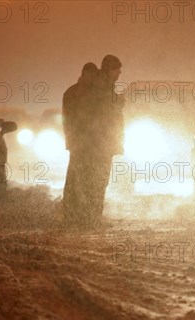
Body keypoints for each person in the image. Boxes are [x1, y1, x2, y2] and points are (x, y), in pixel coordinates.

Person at [62, 56, 125, 229]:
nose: (119, 73)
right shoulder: (101, 89)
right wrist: (117, 104)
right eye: (117, 69)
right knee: (95, 182)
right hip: (97, 147)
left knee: (81, 181)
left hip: (85, 145)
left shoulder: (99, 88)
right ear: (109, 69)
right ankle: (90, 219)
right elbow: (100, 118)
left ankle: (77, 218)